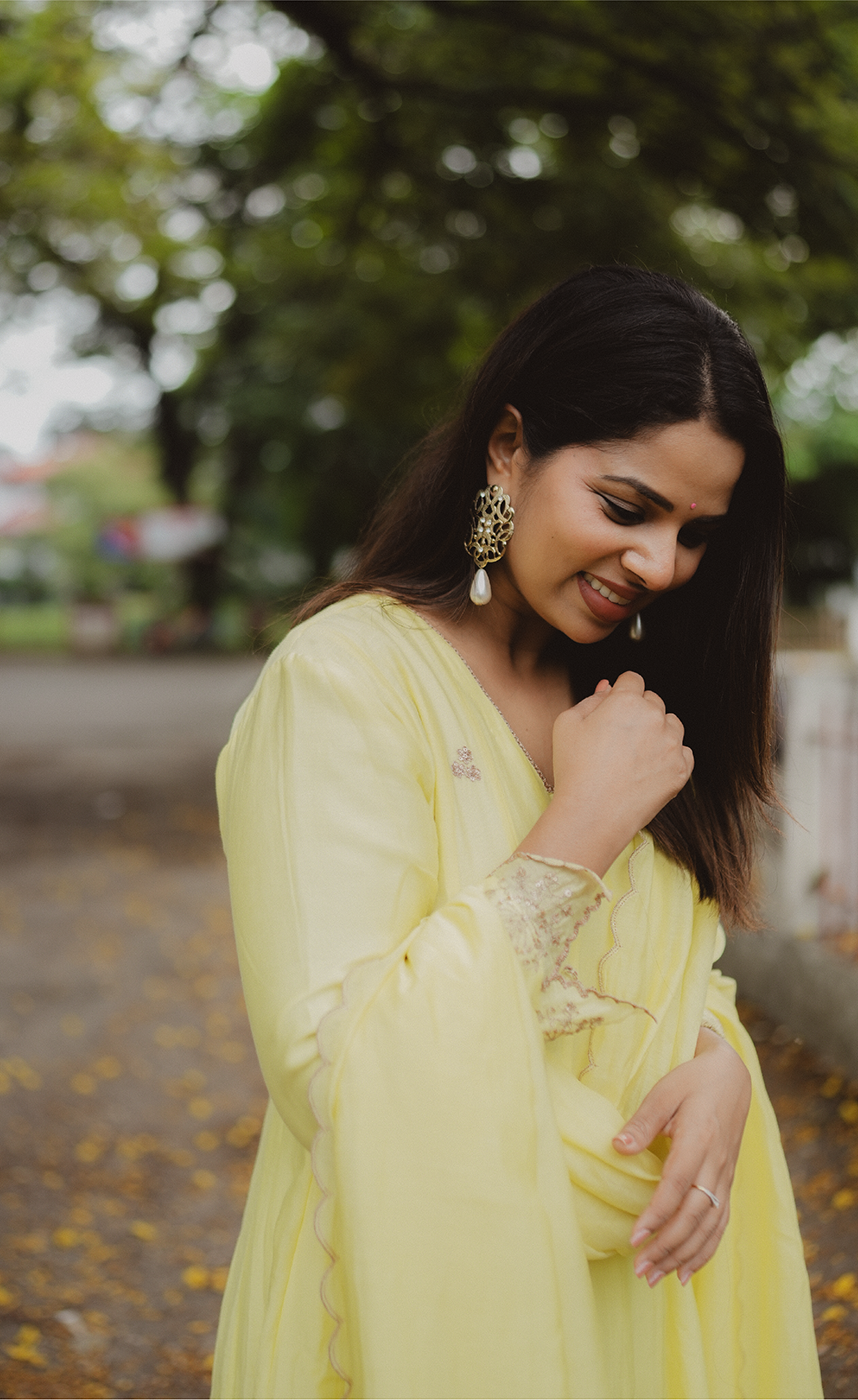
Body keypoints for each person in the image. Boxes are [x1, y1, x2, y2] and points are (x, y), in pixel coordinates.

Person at [211, 266, 822, 1400]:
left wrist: (716, 1062)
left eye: (695, 534)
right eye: (627, 507)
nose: (658, 564)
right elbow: (334, 1066)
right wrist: (578, 824)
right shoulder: (344, 682)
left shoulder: (632, 699)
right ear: (507, 450)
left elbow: (671, 968)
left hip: (643, 1295)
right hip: (411, 1298)